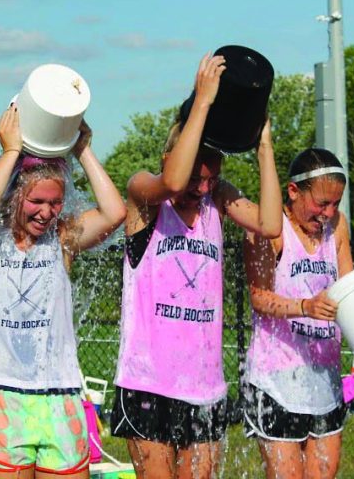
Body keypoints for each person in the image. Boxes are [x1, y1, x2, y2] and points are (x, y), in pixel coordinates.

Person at [110, 53, 282, 479]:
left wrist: (264, 149)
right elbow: (171, 182)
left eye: (210, 179)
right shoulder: (144, 196)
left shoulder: (216, 200)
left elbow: (271, 224)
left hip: (204, 384)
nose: (201, 188)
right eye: (196, 179)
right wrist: (202, 103)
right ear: (172, 157)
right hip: (148, 383)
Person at [0, 105, 126, 478]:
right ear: (15, 196)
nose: (47, 212)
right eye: (36, 201)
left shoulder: (61, 241)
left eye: (56, 202)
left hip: (58, 392)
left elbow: (114, 214)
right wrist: (11, 152)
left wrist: (82, 150)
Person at [242, 148, 352, 479]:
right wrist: (304, 307)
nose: (328, 213)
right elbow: (258, 297)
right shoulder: (269, 230)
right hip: (276, 379)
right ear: (293, 191)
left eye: (335, 204)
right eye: (321, 203)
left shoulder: (338, 227)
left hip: (324, 377)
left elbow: (348, 287)